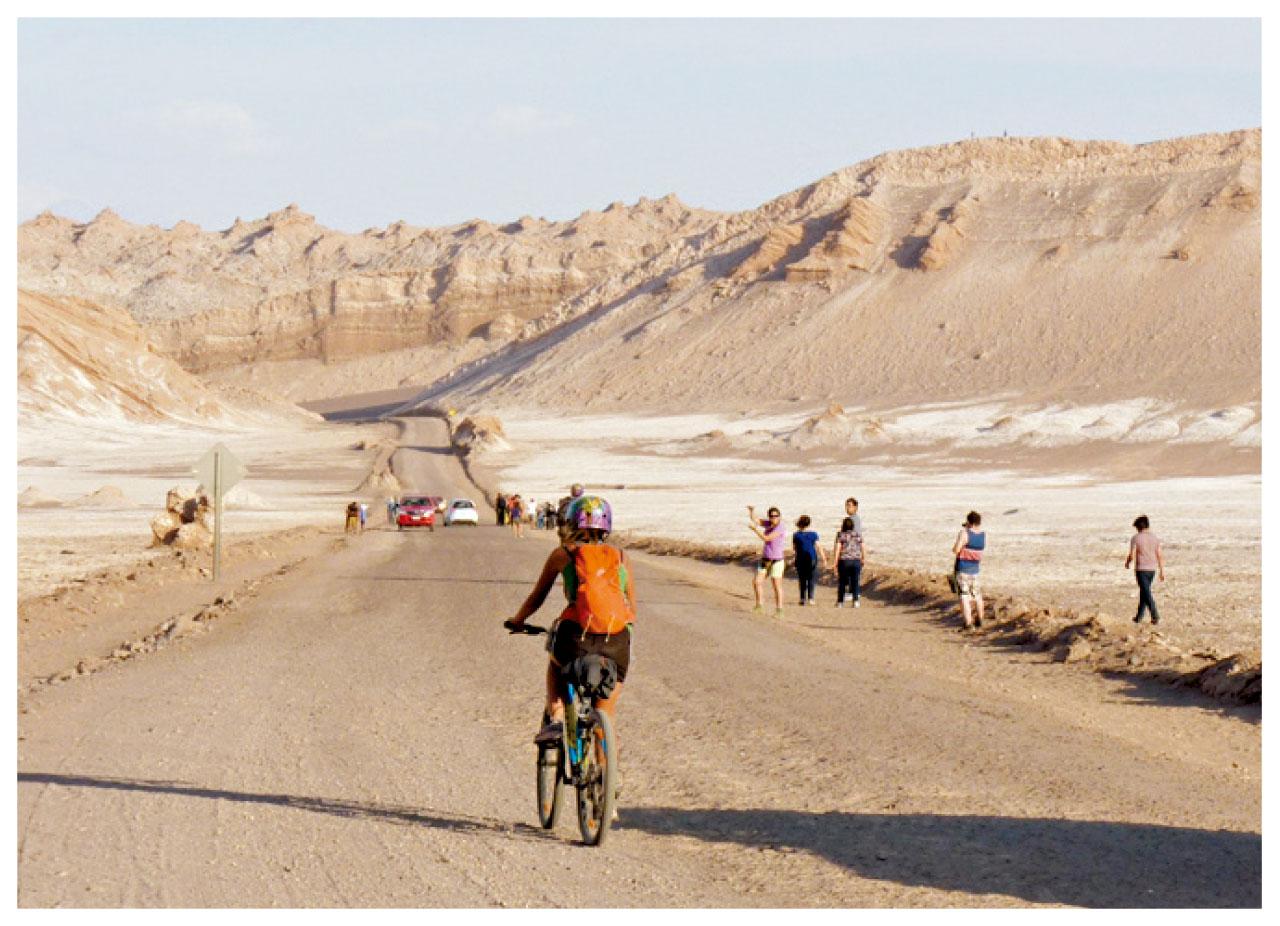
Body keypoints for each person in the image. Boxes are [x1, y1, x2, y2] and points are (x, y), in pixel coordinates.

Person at [505, 495, 635, 747]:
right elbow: (632, 607)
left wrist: (518, 620)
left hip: (575, 638)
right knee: (605, 711)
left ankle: (555, 717)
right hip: (617, 641)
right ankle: (608, 778)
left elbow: (537, 598)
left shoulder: (563, 554)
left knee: (555, 665)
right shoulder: (620, 557)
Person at [1124, 515, 1165, 625]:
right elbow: (1159, 555)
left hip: (1141, 569)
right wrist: (1161, 571)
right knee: (1144, 592)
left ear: (1138, 527)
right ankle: (1138, 617)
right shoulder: (1155, 538)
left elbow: (1131, 555)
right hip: (1152, 569)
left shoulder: (1136, 538)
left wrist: (1127, 563)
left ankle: (1155, 614)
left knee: (1146, 592)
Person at [748, 505, 786, 617]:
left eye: (776, 516)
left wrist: (755, 530)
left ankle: (779, 610)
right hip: (766, 558)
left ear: (779, 517)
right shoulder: (769, 524)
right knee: (757, 582)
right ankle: (759, 605)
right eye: (771, 516)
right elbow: (756, 520)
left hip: (777, 560)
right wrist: (752, 511)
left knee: (776, 585)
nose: (774, 518)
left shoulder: (781, 527)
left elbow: (767, 538)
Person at [952, 511, 986, 631]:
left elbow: (956, 549)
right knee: (977, 595)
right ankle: (980, 619)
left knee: (964, 596)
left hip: (963, 568)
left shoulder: (964, 533)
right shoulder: (982, 535)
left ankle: (968, 623)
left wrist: (963, 532)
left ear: (969, 522)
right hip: (975, 569)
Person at [791, 515, 828, 606]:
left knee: (802, 579)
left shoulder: (796, 535)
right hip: (812, 558)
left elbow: (794, 549)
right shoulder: (813, 534)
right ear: (809, 524)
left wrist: (793, 559)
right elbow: (819, 547)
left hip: (800, 559)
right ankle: (811, 598)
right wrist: (824, 559)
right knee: (811, 579)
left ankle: (802, 598)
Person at [832, 516, 867, 607]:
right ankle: (855, 601)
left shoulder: (841, 535)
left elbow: (838, 549)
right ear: (852, 526)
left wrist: (835, 562)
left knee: (842, 582)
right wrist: (863, 558)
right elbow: (863, 547)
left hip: (844, 561)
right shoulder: (858, 534)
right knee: (855, 581)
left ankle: (840, 602)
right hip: (856, 560)